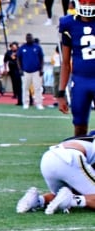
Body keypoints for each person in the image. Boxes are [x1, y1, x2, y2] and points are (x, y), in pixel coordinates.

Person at [16, 134, 95, 214]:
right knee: (80, 195)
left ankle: (37, 201)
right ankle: (72, 200)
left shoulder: (87, 139)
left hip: (48, 157)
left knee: (60, 195)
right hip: (70, 159)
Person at [57, 1, 95, 136]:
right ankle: (81, 153)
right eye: (85, 1)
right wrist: (61, 93)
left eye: (92, 2)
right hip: (80, 81)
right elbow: (65, 63)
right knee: (79, 126)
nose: (88, 5)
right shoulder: (69, 23)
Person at [17, 33, 44, 110]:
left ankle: (39, 103)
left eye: (30, 38)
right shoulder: (22, 48)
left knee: (37, 88)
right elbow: (18, 59)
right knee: (25, 88)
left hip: (36, 71)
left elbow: (41, 58)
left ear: (32, 38)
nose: (29, 39)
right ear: (26, 39)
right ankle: (26, 103)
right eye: (28, 38)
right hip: (25, 71)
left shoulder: (37, 47)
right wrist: (20, 69)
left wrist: (41, 69)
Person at [3, 41, 22, 105]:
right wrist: (5, 69)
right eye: (12, 46)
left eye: (14, 46)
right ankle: (15, 93)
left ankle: (19, 94)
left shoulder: (19, 51)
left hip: (18, 68)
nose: (13, 48)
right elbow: (5, 61)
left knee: (18, 82)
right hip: (11, 69)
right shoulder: (8, 52)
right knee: (13, 81)